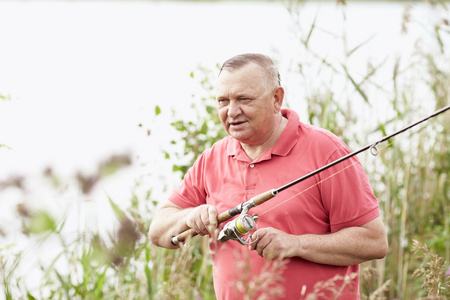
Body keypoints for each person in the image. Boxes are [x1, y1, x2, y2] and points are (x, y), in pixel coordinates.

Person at [149, 53, 388, 299]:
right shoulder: (213, 158)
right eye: (223, 101)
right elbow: (158, 230)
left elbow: (373, 241)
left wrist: (296, 244)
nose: (232, 111)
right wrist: (190, 216)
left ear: (276, 98)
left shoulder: (326, 150)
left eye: (244, 99)